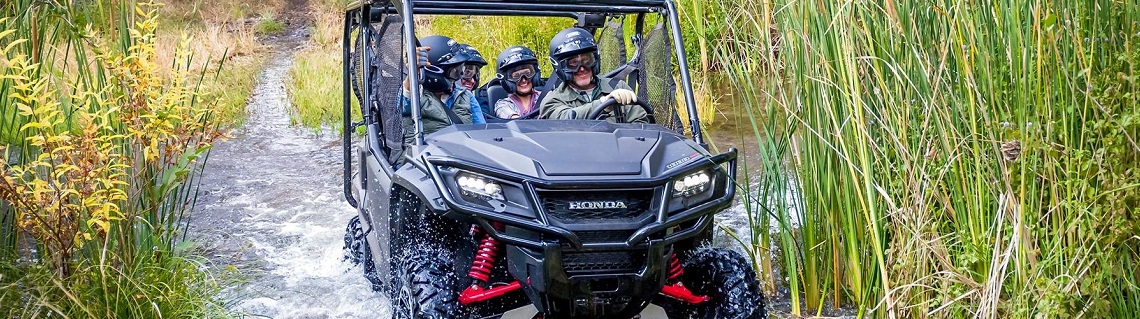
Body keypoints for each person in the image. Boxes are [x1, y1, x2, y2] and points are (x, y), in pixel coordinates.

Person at [538, 27, 648, 123]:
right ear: (561, 67)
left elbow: (641, 125)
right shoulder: (552, 100)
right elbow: (564, 120)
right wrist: (603, 103)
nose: (581, 68)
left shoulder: (618, 87)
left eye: (587, 60)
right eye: (573, 63)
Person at [399, 35, 478, 147]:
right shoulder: (416, 95)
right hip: (423, 160)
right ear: (433, 71)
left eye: (461, 70)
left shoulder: (465, 95)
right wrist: (414, 68)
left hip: (464, 158)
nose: (459, 77)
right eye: (454, 72)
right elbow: (403, 101)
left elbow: (481, 132)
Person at [493, 46, 542, 119]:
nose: (523, 80)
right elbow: (513, 118)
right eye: (516, 76)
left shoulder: (546, 97)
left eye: (527, 73)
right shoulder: (503, 105)